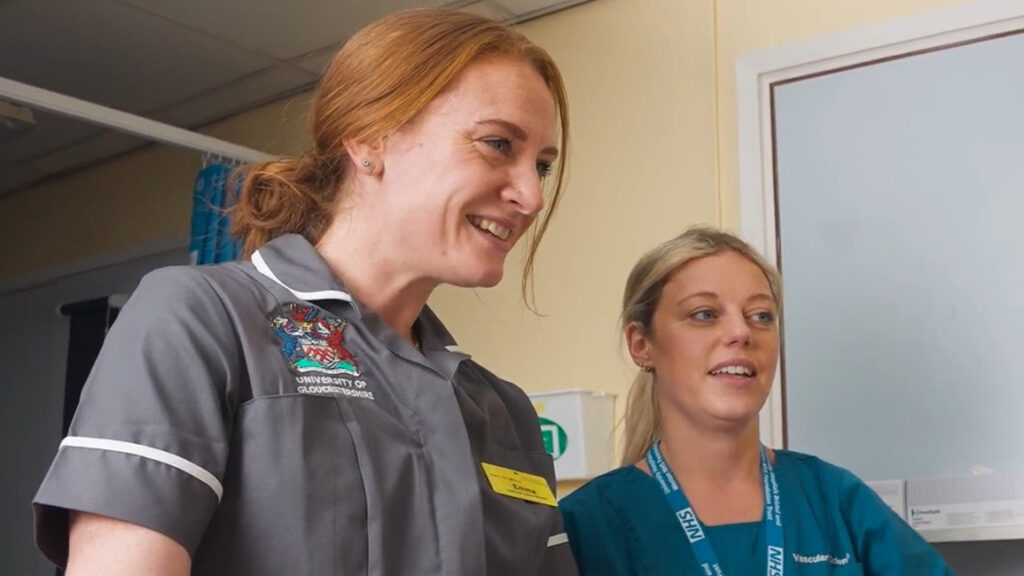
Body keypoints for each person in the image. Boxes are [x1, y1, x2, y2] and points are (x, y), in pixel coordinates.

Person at [33, 8, 577, 576]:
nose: (531, 196)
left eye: (541, 166)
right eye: (496, 144)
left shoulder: (503, 410)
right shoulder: (202, 318)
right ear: (370, 140)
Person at [559, 226, 954, 575]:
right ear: (642, 345)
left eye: (761, 315)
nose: (741, 332)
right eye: (703, 314)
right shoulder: (587, 525)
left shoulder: (833, 499)